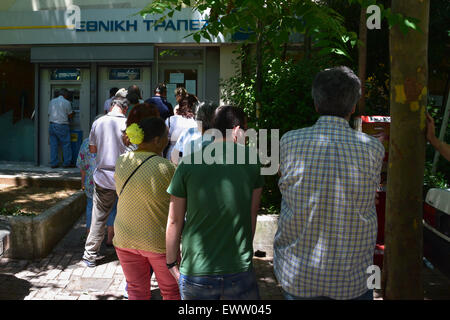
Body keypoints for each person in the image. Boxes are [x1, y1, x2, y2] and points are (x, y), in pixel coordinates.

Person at [274, 66, 385, 300]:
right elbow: (371, 192)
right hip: (352, 279)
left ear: (316, 103)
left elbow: (286, 186)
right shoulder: (374, 148)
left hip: (298, 276)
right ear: (353, 106)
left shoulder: (289, 141)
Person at [166, 105, 264, 300]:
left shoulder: (188, 163)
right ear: (237, 130)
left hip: (196, 269)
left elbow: (175, 220)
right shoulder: (253, 161)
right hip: (238, 266)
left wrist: (171, 265)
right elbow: (251, 213)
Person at [113, 117, 180, 300]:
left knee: (136, 290)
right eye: (167, 136)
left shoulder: (121, 161)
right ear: (157, 140)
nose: (168, 139)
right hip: (157, 241)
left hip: (125, 237)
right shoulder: (166, 167)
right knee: (171, 291)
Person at [81, 92, 129, 267]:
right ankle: (127, 254)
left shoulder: (98, 122)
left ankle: (90, 254)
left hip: (102, 176)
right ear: (126, 108)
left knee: (99, 217)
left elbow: (92, 150)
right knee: (126, 217)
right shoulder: (127, 124)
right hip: (124, 178)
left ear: (111, 106)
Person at [76, 137, 117, 246]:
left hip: (91, 181)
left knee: (90, 208)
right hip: (110, 181)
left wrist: (83, 182)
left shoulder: (86, 142)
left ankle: (89, 236)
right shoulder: (112, 141)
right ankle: (110, 237)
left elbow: (82, 165)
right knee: (111, 208)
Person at [48, 88, 75, 168]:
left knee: (53, 145)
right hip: (62, 125)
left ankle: (53, 163)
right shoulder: (67, 102)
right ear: (65, 95)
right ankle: (66, 163)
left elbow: (49, 114)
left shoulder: (52, 101)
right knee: (66, 144)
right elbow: (70, 115)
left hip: (52, 125)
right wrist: (73, 113)